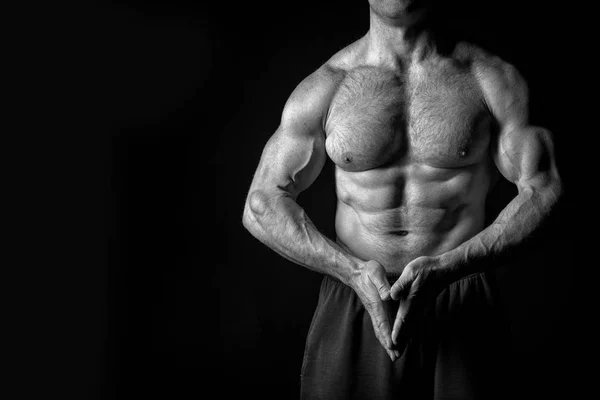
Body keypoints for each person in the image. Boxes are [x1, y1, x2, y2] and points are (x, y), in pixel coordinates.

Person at [242, 0, 562, 398]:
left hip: (460, 297)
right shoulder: (328, 85)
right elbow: (262, 205)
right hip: (355, 298)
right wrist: (352, 273)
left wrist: (449, 268)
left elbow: (545, 192)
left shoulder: (490, 79)